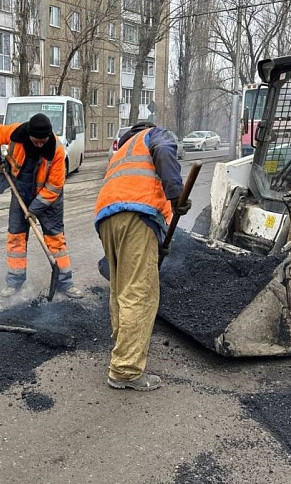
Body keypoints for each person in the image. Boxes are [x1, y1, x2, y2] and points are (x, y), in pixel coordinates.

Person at [94, 121, 190, 392]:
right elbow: (163, 149)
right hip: (136, 215)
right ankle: (126, 369)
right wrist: (176, 195)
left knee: (121, 288)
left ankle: (123, 346)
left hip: (107, 219)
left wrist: (157, 242)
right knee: (140, 292)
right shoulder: (155, 135)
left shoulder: (123, 148)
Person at [0, 112, 83, 299]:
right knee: (16, 236)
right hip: (20, 189)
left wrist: (33, 210)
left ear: (49, 136)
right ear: (29, 134)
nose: (39, 144)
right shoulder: (15, 133)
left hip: (48, 198)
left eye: (43, 140)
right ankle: (14, 281)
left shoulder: (56, 150)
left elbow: (54, 188)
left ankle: (65, 283)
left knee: (55, 239)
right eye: (36, 140)